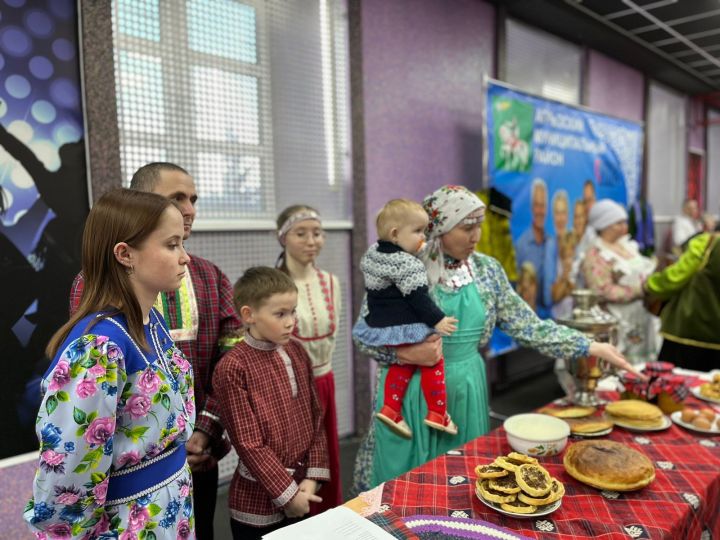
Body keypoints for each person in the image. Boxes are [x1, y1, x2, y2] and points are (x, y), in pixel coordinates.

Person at [352, 185, 642, 493]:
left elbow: (527, 325)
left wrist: (589, 345)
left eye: (479, 225)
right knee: (405, 486)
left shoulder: (487, 270)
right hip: (409, 393)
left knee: (458, 485)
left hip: (465, 389)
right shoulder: (402, 266)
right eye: (466, 227)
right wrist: (406, 355)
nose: (476, 236)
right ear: (439, 227)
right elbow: (364, 334)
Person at [69, 163, 241, 539]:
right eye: (177, 198)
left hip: (188, 468)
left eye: (193, 199)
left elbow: (231, 360)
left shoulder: (202, 282)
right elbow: (78, 445)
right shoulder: (98, 328)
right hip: (125, 501)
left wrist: (205, 429)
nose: (189, 209)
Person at [24, 189, 196, 539]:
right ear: (125, 254)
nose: (185, 258)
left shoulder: (153, 324)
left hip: (170, 508)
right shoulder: (99, 348)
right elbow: (69, 467)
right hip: (127, 522)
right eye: (172, 245)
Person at [212, 267, 329, 540]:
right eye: (280, 314)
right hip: (258, 505)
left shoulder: (297, 351)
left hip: (303, 491)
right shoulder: (233, 367)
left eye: (293, 311)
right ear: (248, 315)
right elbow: (248, 443)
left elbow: (315, 418)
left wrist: (311, 480)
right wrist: (288, 496)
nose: (291, 322)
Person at [353, 199, 459, 439]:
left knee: (405, 363)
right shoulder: (408, 264)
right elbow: (418, 298)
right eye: (418, 231)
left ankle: (391, 408)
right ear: (395, 234)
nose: (423, 238)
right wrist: (438, 320)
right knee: (433, 360)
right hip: (404, 323)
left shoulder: (372, 254)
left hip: (382, 325)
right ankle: (438, 412)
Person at [275, 204, 343, 511]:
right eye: (301, 233)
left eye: (317, 233)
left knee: (325, 458)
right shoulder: (274, 285)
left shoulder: (331, 282)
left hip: (324, 381)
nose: (311, 240)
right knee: (293, 465)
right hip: (288, 391)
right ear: (283, 238)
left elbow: (334, 332)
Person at [581, 199, 658, 365]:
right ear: (605, 225)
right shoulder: (596, 254)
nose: (625, 227)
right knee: (619, 367)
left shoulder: (627, 246)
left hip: (639, 317)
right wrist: (641, 289)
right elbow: (602, 290)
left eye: (624, 222)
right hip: (616, 322)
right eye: (619, 223)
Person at [644, 231, 720, 372]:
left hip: (690, 331)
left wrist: (650, 284)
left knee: (673, 387)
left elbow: (675, 278)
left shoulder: (709, 242)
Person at [515, 178, 555, 317]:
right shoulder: (521, 245)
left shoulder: (552, 244)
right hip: (526, 316)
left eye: (543, 205)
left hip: (547, 316)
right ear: (532, 208)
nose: (540, 211)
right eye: (537, 205)